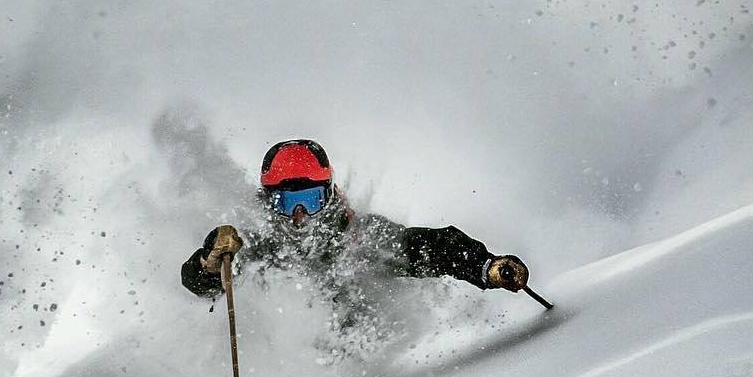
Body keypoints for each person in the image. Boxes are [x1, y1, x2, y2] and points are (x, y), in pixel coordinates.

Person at [181, 139, 530, 308]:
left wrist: (485, 266)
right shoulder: (259, 246)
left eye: (311, 200)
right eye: (287, 202)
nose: (300, 214)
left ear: (329, 195)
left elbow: (429, 247)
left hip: (355, 368)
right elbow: (204, 286)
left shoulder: (359, 237)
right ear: (269, 201)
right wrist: (209, 262)